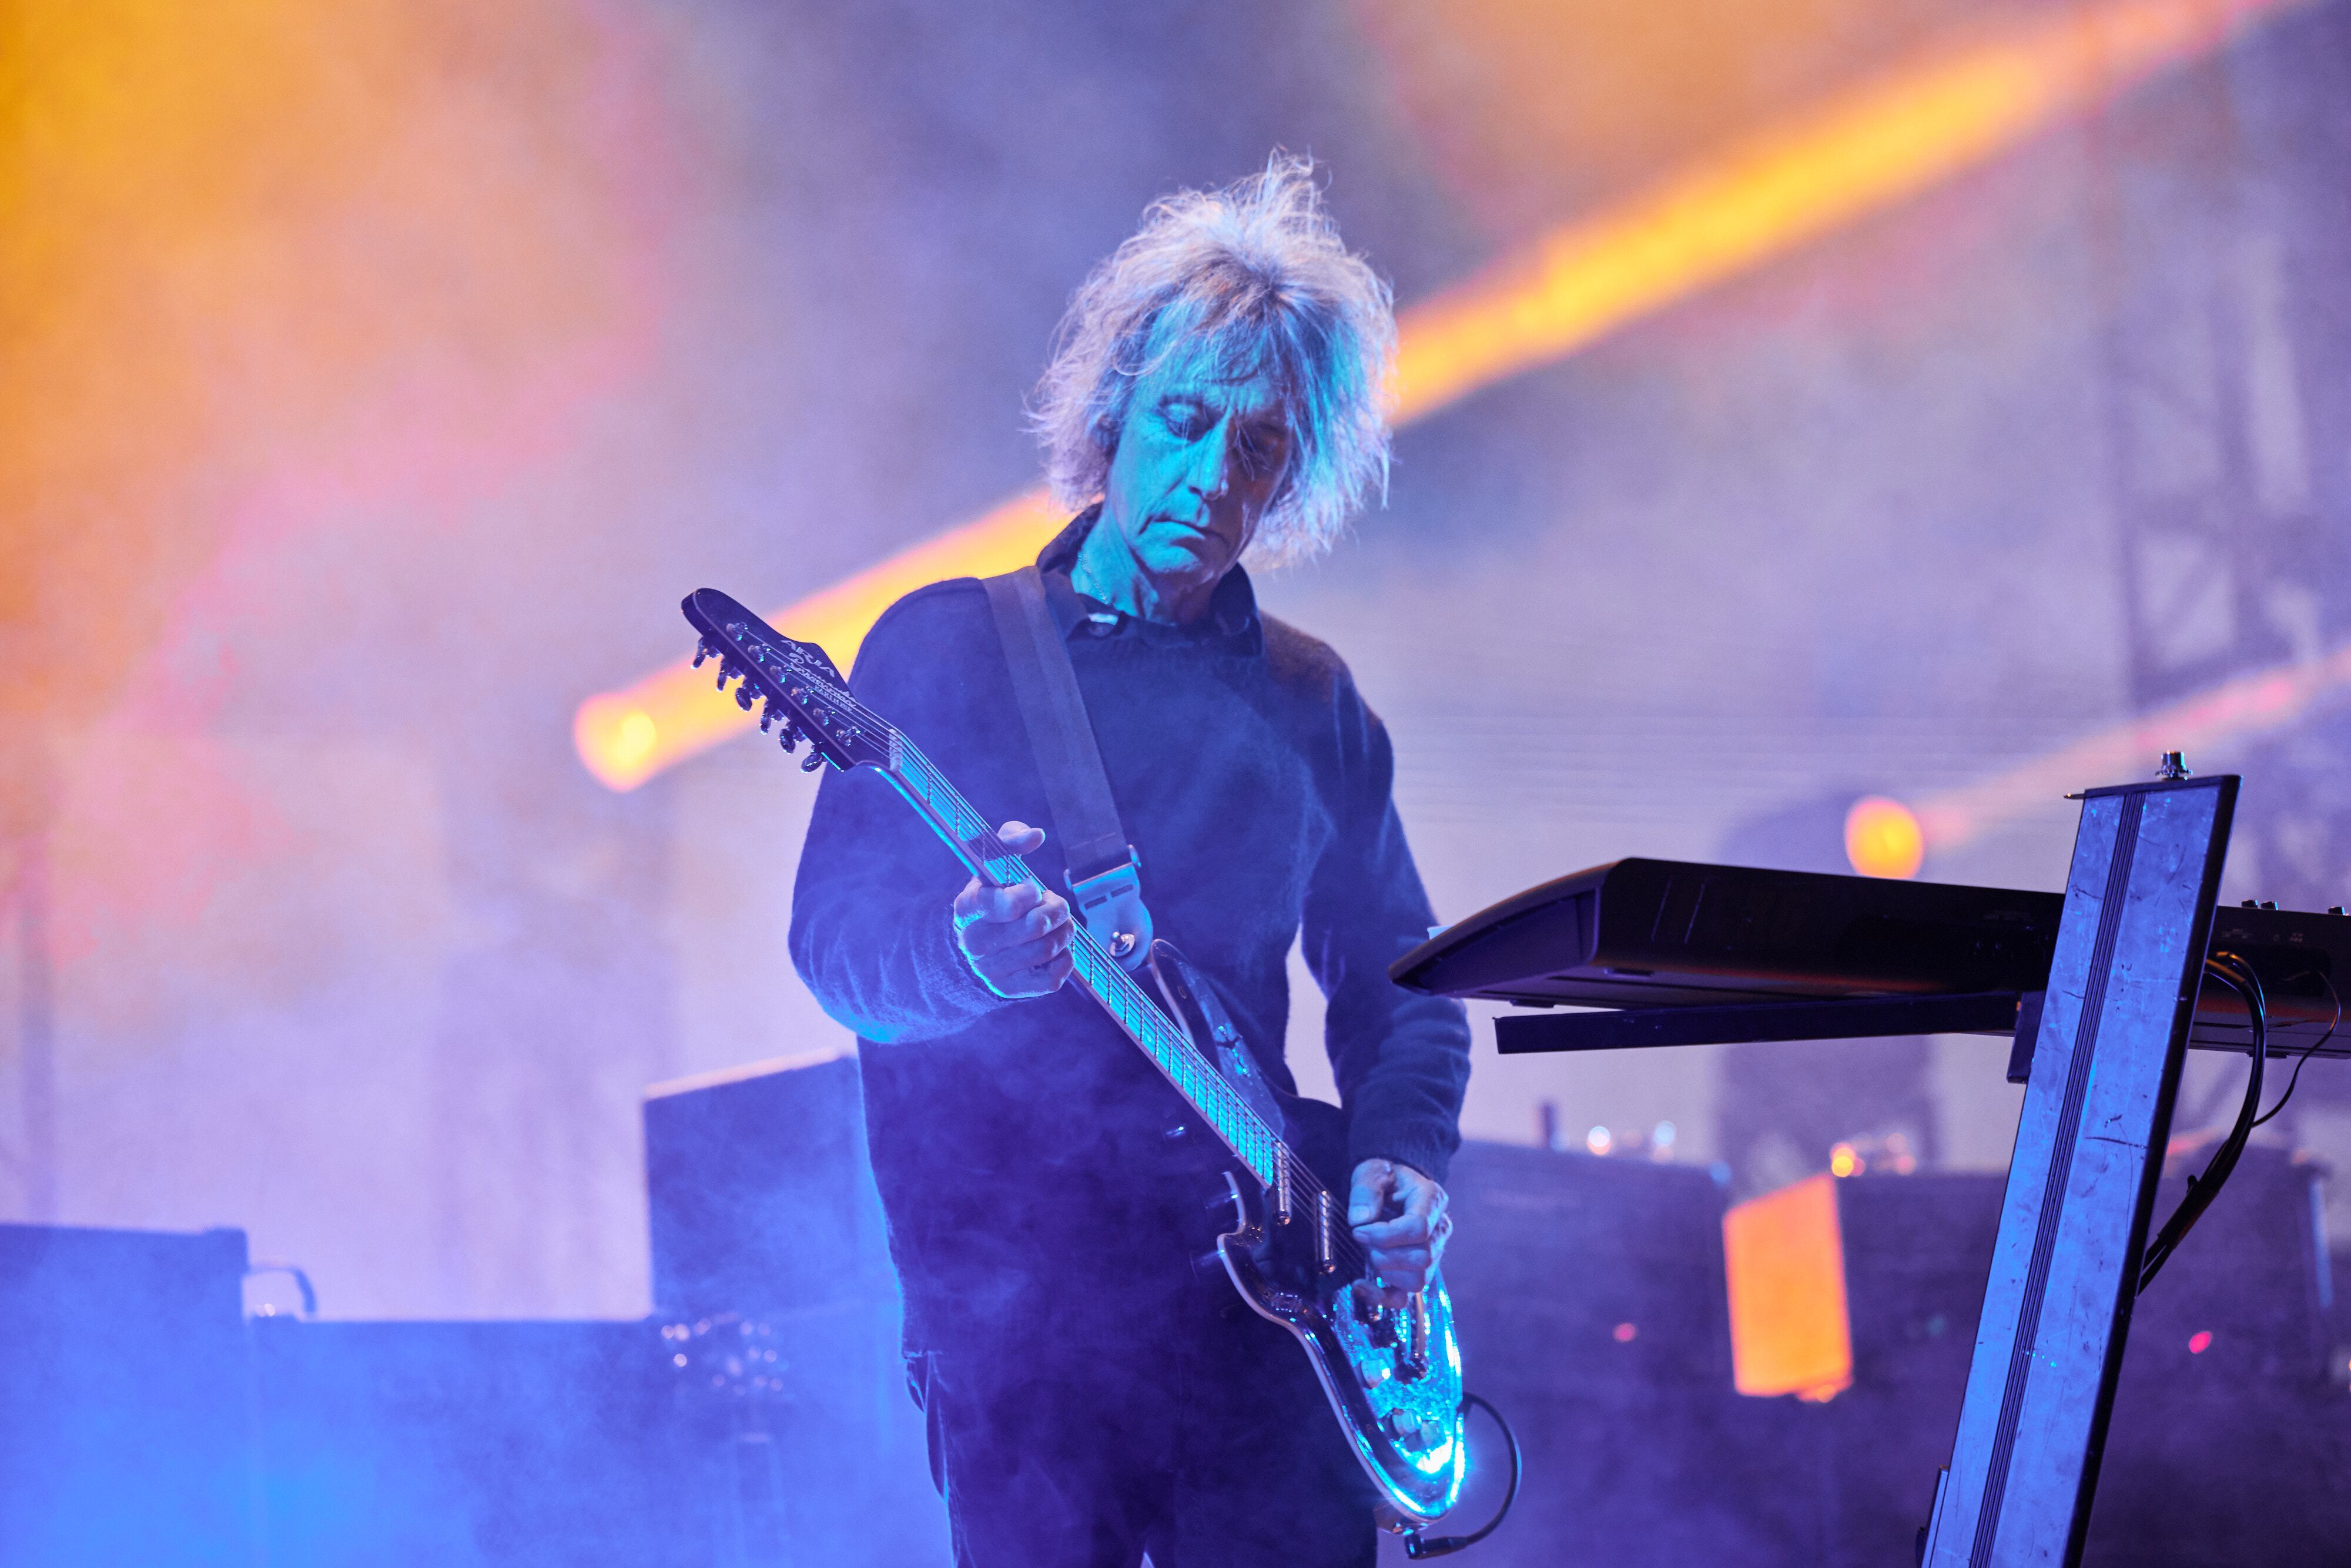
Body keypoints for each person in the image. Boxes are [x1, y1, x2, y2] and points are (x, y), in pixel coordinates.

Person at [789, 156, 1472, 1568]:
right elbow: (837, 946)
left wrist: (1402, 1153)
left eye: (1261, 449)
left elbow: (1402, 983)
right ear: (1112, 418)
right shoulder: (950, 647)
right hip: (1023, 1337)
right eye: (1182, 420)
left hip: (1273, 1330)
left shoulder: (1308, 697)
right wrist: (963, 958)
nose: (1212, 477)